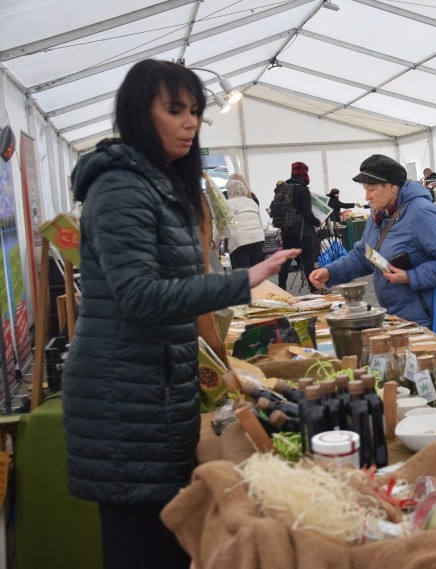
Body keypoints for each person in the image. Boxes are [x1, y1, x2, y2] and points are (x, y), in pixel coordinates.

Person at [61, 59, 299, 569]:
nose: (190, 121)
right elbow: (141, 297)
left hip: (149, 388)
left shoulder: (155, 183)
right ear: (138, 114)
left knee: (162, 537)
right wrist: (243, 280)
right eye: (174, 110)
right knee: (143, 544)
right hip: (126, 398)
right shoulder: (122, 188)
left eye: (194, 110)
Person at [309, 154, 436, 335]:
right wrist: (330, 272)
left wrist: (410, 277)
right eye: (365, 189)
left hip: (434, 318)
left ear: (393, 186)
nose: (367, 196)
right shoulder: (379, 215)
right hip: (405, 317)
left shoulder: (421, 212)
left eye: (371, 189)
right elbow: (364, 255)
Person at [270, 162, 322, 292]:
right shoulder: (302, 189)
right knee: (308, 261)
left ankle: (281, 288)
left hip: (287, 230)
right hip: (303, 232)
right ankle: (314, 288)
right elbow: (307, 213)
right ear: (304, 173)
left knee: (286, 260)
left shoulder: (283, 188)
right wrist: (317, 222)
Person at [225, 178, 265, 269]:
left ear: (230, 191)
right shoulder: (252, 202)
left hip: (240, 239)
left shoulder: (229, 203)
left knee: (242, 274)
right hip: (258, 237)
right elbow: (260, 222)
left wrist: (215, 243)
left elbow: (223, 225)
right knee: (255, 272)